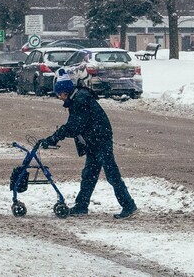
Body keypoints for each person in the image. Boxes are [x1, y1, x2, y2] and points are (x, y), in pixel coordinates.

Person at [40, 69, 137, 219]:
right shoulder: (78, 97)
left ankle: (129, 205)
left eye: (59, 94)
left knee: (111, 174)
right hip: (94, 140)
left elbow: (74, 126)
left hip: (100, 139)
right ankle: (81, 206)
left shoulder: (80, 100)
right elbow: (76, 126)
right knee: (89, 174)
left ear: (64, 91)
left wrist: (54, 138)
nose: (59, 98)